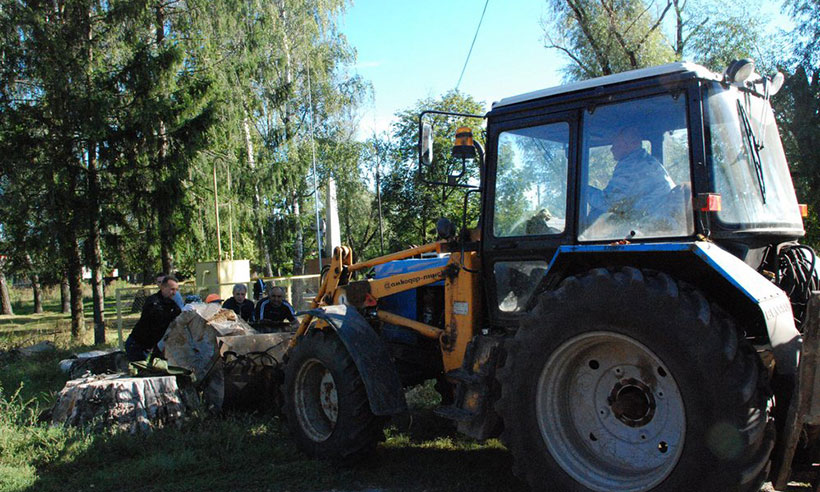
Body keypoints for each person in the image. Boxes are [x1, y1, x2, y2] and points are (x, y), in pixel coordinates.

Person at [589, 126, 675, 220]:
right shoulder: (647, 161)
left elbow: (609, 203)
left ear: (632, 144)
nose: (612, 148)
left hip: (652, 223)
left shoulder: (633, 165)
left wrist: (580, 188)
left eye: (616, 143)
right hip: (655, 219)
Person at [125, 275, 182, 361]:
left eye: (176, 290)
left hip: (150, 346)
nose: (174, 293)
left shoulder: (171, 303)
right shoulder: (153, 301)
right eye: (172, 289)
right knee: (140, 369)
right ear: (163, 288)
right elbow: (159, 319)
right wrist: (173, 314)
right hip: (137, 345)